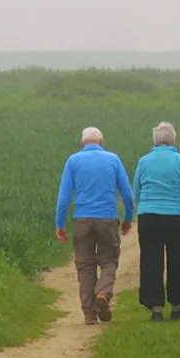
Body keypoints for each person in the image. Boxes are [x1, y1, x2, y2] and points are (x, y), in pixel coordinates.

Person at [54, 126, 135, 325]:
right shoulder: (113, 160)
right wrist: (128, 218)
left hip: (82, 219)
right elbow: (127, 194)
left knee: (85, 266)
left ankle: (89, 314)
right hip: (108, 218)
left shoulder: (73, 161)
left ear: (82, 143)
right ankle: (103, 293)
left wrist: (60, 223)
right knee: (109, 261)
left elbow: (64, 198)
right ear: (101, 141)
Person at [133, 122, 180, 322]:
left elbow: (137, 191)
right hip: (177, 217)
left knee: (151, 262)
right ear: (173, 140)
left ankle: (155, 308)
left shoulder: (144, 161)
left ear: (155, 141)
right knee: (176, 261)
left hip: (149, 217)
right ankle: (178, 306)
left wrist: (145, 205)